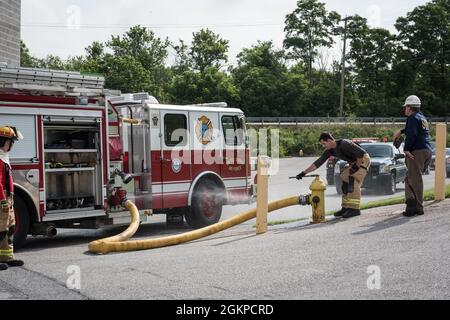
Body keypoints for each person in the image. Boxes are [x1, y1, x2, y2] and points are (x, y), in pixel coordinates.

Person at [296, 133, 371, 219]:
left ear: (329, 140)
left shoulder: (344, 143)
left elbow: (361, 154)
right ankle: (346, 207)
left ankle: (355, 209)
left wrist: (355, 168)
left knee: (353, 179)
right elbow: (318, 163)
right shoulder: (330, 151)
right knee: (344, 178)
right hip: (354, 162)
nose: (323, 146)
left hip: (362, 160)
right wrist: (303, 173)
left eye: (324, 143)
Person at [393, 95, 432, 217]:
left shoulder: (411, 118)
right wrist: (402, 131)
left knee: (414, 180)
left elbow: (413, 134)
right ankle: (413, 206)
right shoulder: (421, 117)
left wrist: (406, 149)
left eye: (405, 107)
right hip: (426, 151)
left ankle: (416, 207)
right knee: (411, 178)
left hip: (417, 151)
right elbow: (413, 129)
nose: (404, 109)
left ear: (410, 107)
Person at [0, 126, 24, 271]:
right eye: (10, 142)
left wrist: (10, 199)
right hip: (1, 198)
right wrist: (2, 199)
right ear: (3, 141)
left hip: (7, 198)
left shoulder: (4, 157)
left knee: (9, 228)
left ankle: (7, 257)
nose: (12, 145)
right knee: (0, 229)